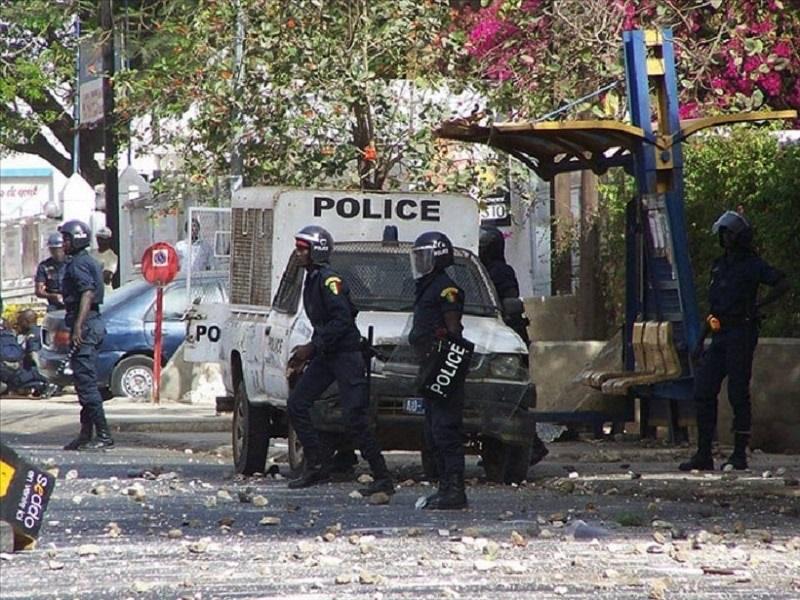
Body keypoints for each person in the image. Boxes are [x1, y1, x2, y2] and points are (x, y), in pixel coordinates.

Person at [286, 225, 393, 496]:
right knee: (297, 404)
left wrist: (311, 347)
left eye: (302, 249)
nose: (297, 253)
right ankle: (316, 465)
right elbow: (324, 321)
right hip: (327, 354)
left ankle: (382, 477)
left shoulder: (328, 279)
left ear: (316, 252)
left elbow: (343, 319)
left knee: (355, 417)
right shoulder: (312, 278)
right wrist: (309, 351)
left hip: (345, 355)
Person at [679, 210, 788, 472]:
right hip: (719, 333)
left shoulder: (752, 265)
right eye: (723, 234)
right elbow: (714, 306)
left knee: (738, 393)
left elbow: (782, 282)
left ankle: (739, 454)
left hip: (742, 332)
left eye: (729, 234)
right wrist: (700, 341)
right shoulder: (720, 265)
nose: (725, 239)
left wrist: (759, 306)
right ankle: (704, 453)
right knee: (703, 391)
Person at [479, 226, 549, 465]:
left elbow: (510, 301)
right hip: (499, 335)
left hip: (510, 337)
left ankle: (532, 446)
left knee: (512, 398)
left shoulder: (501, 271)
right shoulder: (482, 269)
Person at [408, 231, 468, 510]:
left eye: (424, 257)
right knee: (433, 431)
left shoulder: (447, 289)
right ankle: (444, 488)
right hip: (430, 366)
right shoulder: (427, 286)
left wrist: (444, 364)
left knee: (446, 430)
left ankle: (455, 491)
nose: (419, 263)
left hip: (443, 368)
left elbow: (453, 330)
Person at [59, 220, 113, 451]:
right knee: (83, 382)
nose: (63, 243)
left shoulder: (79, 264)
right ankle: (85, 434)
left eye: (67, 239)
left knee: (87, 384)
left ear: (77, 239)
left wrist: (78, 327)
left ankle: (104, 435)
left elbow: (87, 293)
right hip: (92, 323)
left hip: (87, 325)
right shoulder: (85, 261)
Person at [35, 233, 67, 312]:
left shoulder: (72, 263)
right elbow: (39, 291)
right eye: (53, 250)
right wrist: (52, 296)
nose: (57, 253)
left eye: (59, 249)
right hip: (54, 305)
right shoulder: (44, 266)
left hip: (71, 303)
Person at [89, 226, 118, 295]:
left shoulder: (112, 256)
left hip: (105, 293)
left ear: (108, 240)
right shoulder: (91, 253)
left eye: (103, 239)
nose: (101, 241)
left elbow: (106, 277)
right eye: (99, 238)